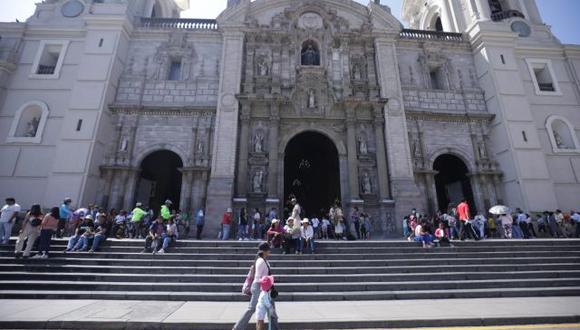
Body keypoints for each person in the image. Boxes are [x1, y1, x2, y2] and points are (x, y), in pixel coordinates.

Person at [233, 242, 277, 330]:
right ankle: (238, 328)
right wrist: (265, 286)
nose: (269, 251)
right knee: (252, 308)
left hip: (265, 287)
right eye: (268, 249)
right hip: (260, 287)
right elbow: (258, 277)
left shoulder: (263, 260)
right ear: (264, 251)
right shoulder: (260, 261)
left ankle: (274, 327)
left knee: (271, 308)